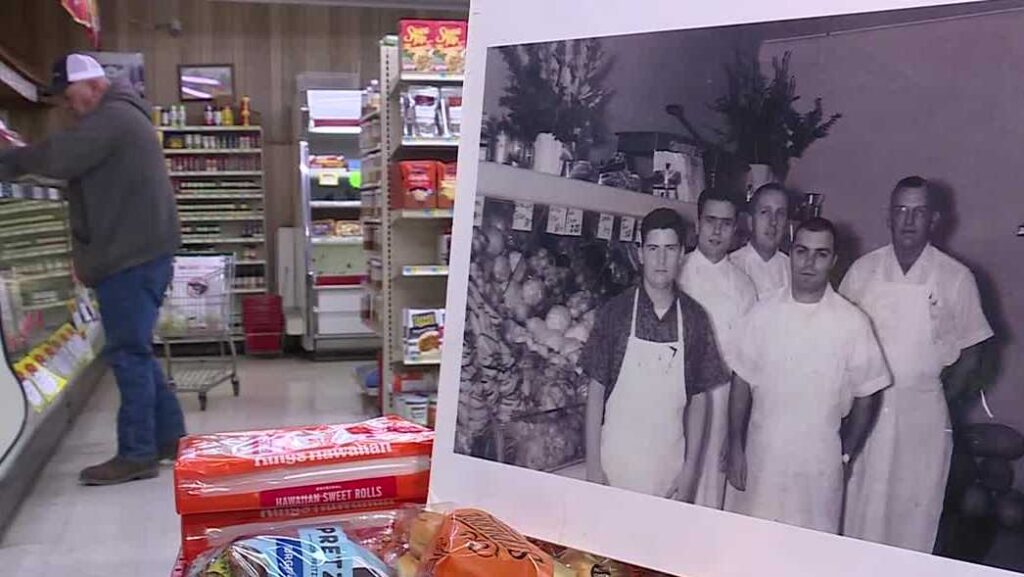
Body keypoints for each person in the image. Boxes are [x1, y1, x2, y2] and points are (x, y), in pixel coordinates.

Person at [0, 54, 184, 485]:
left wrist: (9, 158)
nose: (69, 107)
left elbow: (63, 157)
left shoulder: (114, 117)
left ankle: (137, 453)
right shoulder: (121, 114)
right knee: (135, 350)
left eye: (70, 97)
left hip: (129, 258)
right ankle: (171, 441)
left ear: (94, 87)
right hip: (138, 254)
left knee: (128, 355)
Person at [840, 176, 994, 553]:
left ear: (935, 219)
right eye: (901, 211)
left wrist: (946, 397)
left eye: (919, 212)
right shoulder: (863, 271)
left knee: (914, 513)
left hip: (923, 412)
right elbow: (838, 340)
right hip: (867, 410)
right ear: (888, 217)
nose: (908, 221)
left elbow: (974, 348)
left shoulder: (955, 277)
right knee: (860, 506)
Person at [723, 217, 890, 533]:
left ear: (834, 260)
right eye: (801, 251)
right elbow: (741, 381)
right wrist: (735, 446)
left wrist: (845, 454)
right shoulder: (763, 313)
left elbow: (868, 395)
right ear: (791, 252)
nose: (809, 262)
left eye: (821, 254)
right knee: (753, 548)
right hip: (764, 455)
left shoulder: (852, 322)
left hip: (819, 462)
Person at [581, 208, 729, 501]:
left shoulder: (695, 319)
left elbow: (699, 399)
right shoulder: (615, 312)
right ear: (640, 254)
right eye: (653, 248)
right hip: (614, 470)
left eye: (670, 249)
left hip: (669, 472)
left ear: (682, 254)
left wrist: (689, 470)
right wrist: (594, 466)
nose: (661, 260)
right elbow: (595, 392)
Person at [679, 189, 757, 509]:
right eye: (710, 221)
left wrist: (735, 432)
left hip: (721, 405)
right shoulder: (676, 271)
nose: (717, 231)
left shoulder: (743, 286)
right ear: (697, 224)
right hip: (673, 400)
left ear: (735, 229)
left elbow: (747, 365)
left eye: (726, 223)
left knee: (708, 496)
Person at [730, 183, 791, 298]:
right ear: (750, 221)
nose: (773, 222)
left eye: (780, 214)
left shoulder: (793, 270)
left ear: (787, 224)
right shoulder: (733, 265)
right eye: (765, 212)